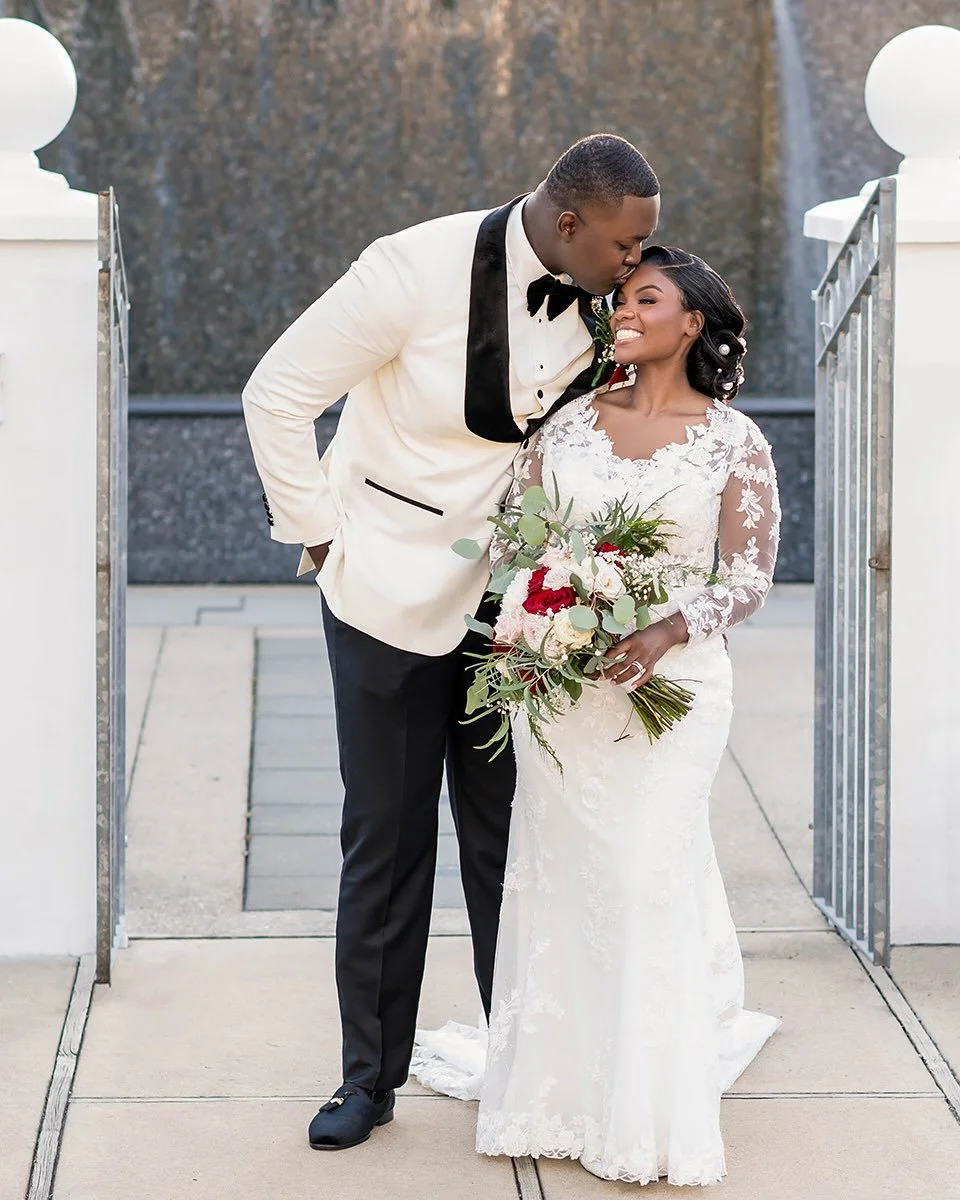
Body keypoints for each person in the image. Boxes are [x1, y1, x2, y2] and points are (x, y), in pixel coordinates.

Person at [241, 134, 661, 1151]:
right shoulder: (407, 270)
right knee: (385, 842)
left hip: (522, 611)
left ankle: (522, 1068)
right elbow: (278, 392)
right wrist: (321, 537)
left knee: (507, 846)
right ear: (568, 224)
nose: (638, 261)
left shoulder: (610, 296)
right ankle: (366, 1082)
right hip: (383, 593)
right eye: (624, 243)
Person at [411, 246, 782, 1185]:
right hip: (561, 695)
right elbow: (513, 542)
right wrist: (532, 620)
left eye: (645, 297)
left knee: (644, 869)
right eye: (619, 297)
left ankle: (648, 1108)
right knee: (565, 872)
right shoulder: (569, 426)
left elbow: (745, 576)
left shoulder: (735, 441)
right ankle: (557, 1088)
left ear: (691, 321)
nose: (623, 307)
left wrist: (662, 632)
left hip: (674, 692)